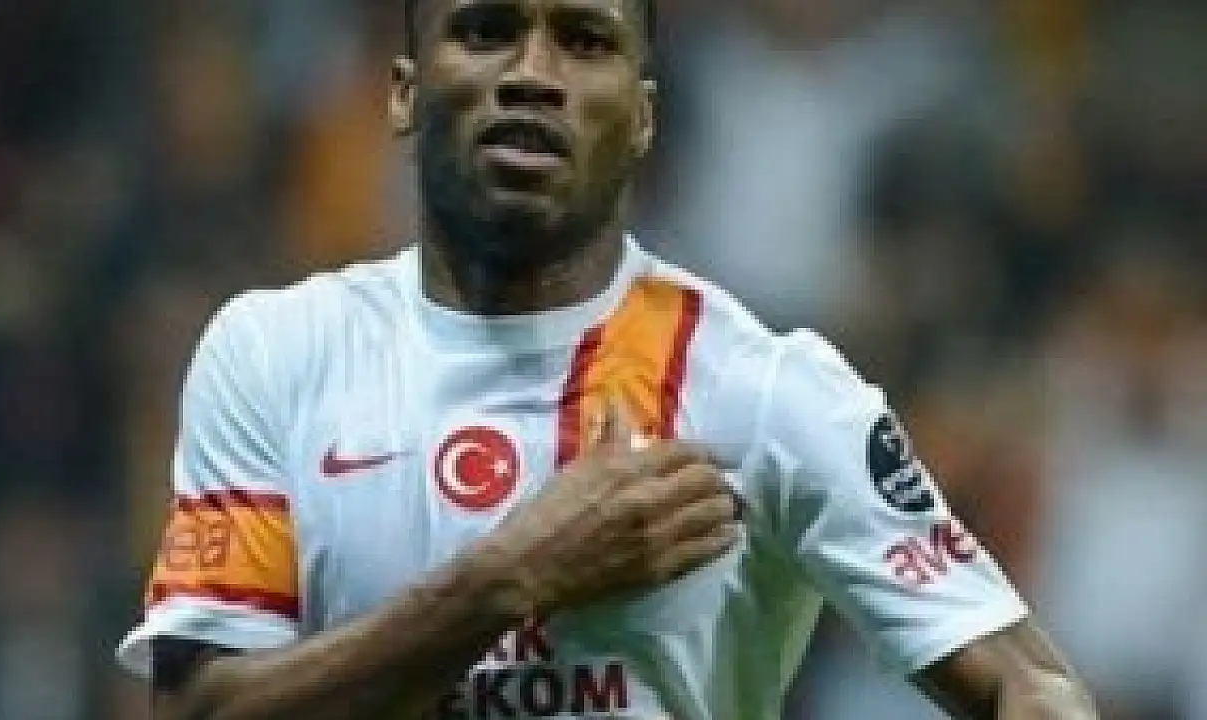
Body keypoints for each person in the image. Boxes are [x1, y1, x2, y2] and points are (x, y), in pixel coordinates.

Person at [117, 1, 1097, 717]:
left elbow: (1031, 687)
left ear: (643, 116)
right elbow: (197, 711)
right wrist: (513, 575)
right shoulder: (275, 351)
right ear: (405, 90)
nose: (531, 73)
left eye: (584, 40)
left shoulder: (762, 389)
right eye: (485, 30)